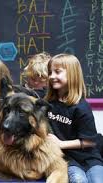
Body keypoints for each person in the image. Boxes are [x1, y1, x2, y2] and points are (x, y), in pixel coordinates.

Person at [45, 53, 103, 183]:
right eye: (50, 72)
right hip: (67, 159)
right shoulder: (47, 104)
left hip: (90, 158)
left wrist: (60, 144)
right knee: (79, 180)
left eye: (57, 72)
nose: (52, 76)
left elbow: (90, 142)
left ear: (72, 74)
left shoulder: (82, 107)